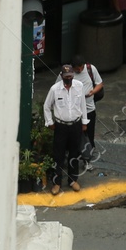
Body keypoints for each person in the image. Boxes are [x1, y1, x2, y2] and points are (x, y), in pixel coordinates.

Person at [42, 65, 90, 194]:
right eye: (66, 76)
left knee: (74, 153)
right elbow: (46, 106)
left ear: (73, 75)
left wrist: (84, 122)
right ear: (61, 76)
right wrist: (50, 122)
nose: (68, 78)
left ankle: (72, 180)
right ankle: (57, 183)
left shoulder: (79, 86)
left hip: (76, 125)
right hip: (61, 126)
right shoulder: (55, 89)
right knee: (59, 155)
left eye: (70, 76)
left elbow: (83, 105)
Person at [68, 56, 105, 158]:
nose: (79, 70)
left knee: (88, 133)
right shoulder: (67, 72)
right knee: (73, 134)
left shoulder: (90, 69)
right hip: (73, 110)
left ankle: (88, 155)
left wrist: (93, 91)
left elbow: (99, 84)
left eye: (81, 67)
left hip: (89, 108)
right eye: (77, 69)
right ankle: (74, 155)